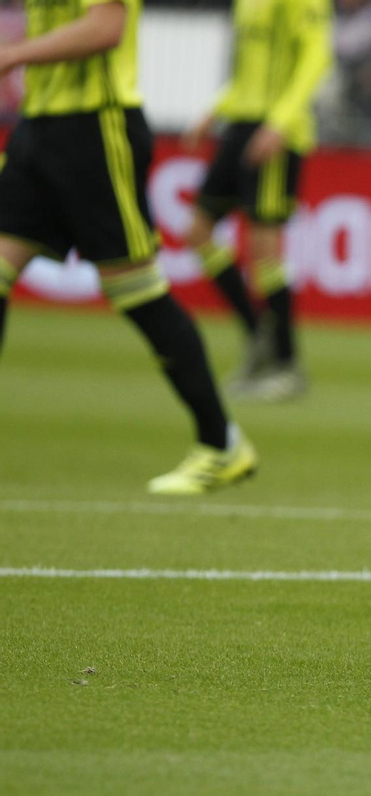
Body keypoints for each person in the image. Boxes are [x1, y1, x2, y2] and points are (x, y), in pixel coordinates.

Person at [0, 0, 258, 494]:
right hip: (39, 124)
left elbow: (106, 26)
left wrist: (15, 55)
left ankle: (221, 444)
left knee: (136, 289)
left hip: (96, 126)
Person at [183, 0, 333, 401]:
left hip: (275, 129)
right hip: (240, 122)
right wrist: (215, 109)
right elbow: (251, 72)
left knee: (264, 251)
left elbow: (317, 56)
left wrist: (280, 123)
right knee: (197, 231)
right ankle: (257, 337)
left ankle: (286, 363)